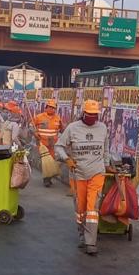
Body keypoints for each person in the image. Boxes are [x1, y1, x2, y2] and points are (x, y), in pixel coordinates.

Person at [55, 99, 110, 255]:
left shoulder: (103, 128)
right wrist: (66, 158)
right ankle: (82, 236)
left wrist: (106, 166)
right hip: (78, 174)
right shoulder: (72, 128)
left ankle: (91, 242)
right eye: (90, 114)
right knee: (80, 208)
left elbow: (105, 149)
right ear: (83, 113)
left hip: (97, 173)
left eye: (95, 114)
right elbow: (59, 146)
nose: (93, 117)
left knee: (92, 208)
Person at [33, 98, 63, 186]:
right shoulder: (39, 117)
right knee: (46, 162)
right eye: (49, 107)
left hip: (52, 144)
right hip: (42, 143)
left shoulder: (58, 118)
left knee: (52, 161)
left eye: (53, 108)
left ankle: (49, 177)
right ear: (46, 108)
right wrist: (35, 133)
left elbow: (61, 129)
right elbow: (31, 126)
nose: (51, 109)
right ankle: (46, 179)